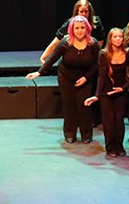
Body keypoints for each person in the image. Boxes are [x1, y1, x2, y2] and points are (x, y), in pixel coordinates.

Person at [28, 15, 100, 144]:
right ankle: (70, 133)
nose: (79, 30)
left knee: (84, 106)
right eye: (77, 28)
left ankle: (86, 134)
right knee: (69, 105)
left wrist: (86, 77)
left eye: (82, 27)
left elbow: (97, 63)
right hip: (66, 77)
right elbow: (52, 58)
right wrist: (39, 72)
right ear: (72, 29)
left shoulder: (93, 43)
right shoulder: (65, 42)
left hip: (85, 78)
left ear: (87, 28)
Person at [85, 28, 129, 158]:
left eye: (120, 36)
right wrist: (97, 95)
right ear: (110, 39)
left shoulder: (128, 52)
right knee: (108, 121)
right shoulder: (104, 53)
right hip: (106, 93)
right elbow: (102, 76)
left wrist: (124, 88)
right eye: (115, 37)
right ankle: (110, 147)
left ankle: (119, 145)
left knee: (119, 120)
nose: (118, 39)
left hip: (121, 92)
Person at [40, 0, 105, 63]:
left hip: (90, 57)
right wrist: (43, 57)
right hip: (73, 56)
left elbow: (99, 43)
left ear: (89, 12)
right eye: (81, 11)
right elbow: (55, 42)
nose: (84, 14)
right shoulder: (70, 23)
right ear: (77, 12)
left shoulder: (96, 23)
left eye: (86, 11)